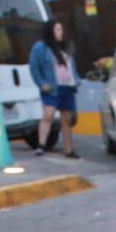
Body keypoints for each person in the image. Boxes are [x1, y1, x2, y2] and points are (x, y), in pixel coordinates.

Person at [29, 20, 80, 159]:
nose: (61, 32)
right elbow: (34, 67)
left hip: (67, 87)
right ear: (50, 31)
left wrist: (77, 80)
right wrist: (41, 83)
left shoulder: (66, 47)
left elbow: (71, 67)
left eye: (61, 29)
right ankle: (41, 146)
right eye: (58, 29)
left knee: (67, 119)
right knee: (48, 115)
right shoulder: (40, 47)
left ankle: (68, 149)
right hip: (52, 87)